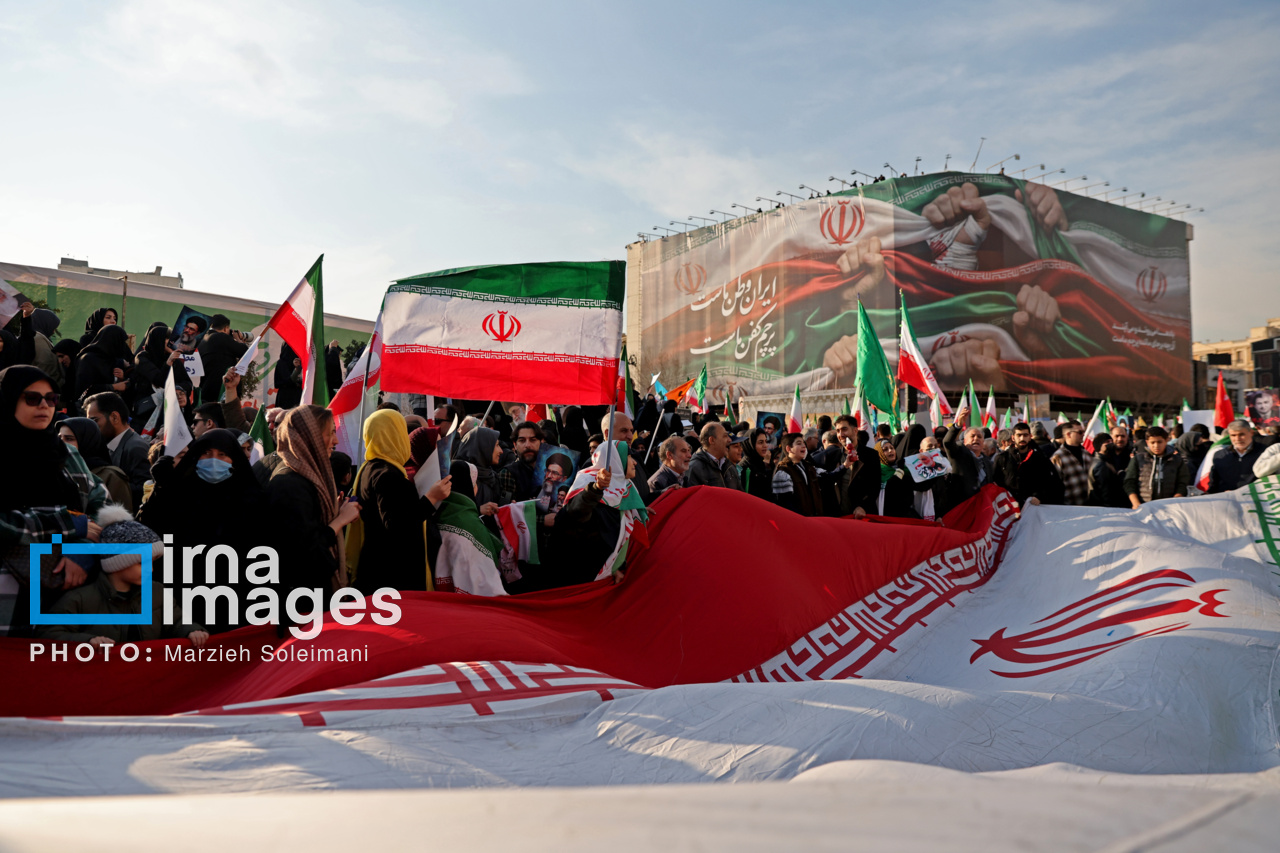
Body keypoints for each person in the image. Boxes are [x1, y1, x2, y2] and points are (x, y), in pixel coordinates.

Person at [0, 366, 108, 636]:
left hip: (66, 597)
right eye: (32, 398)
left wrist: (84, 550)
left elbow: (102, 506)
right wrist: (67, 525)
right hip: (8, 601)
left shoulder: (66, 453)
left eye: (51, 399)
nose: (44, 406)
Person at [134, 428, 268, 631]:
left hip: (235, 596)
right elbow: (149, 530)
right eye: (207, 453)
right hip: (183, 596)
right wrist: (161, 490)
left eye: (222, 455)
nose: (214, 460)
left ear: (234, 459)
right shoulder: (179, 491)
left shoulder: (251, 496)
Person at [36, 506, 208, 649]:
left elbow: (177, 622)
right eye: (142, 562)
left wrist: (191, 631)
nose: (151, 569)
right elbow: (48, 634)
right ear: (117, 563)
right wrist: (88, 641)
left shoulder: (157, 593)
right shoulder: (81, 599)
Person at [265, 405, 361, 605]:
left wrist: (331, 512)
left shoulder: (301, 474)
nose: (336, 441)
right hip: (301, 602)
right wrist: (340, 521)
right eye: (330, 433)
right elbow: (306, 552)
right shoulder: (290, 484)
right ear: (310, 438)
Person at [348, 409, 452, 594]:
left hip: (374, 569)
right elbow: (398, 525)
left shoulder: (369, 468)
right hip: (392, 578)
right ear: (394, 435)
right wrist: (431, 498)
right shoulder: (388, 475)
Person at [83, 391, 151, 507]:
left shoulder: (136, 447)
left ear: (115, 417)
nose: (91, 427)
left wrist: (104, 485)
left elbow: (145, 490)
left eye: (94, 421)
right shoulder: (108, 444)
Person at [57, 417, 133, 511]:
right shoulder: (57, 471)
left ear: (87, 441)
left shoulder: (111, 476)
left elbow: (120, 517)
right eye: (59, 438)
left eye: (69, 439)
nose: (62, 444)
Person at [992, 422, 1064, 507]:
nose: (1022, 438)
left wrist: (1039, 496)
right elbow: (996, 483)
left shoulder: (1040, 458)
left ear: (1030, 437)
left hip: (1034, 506)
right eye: (1019, 435)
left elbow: (1049, 482)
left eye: (1025, 435)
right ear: (1013, 438)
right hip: (1009, 507)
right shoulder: (1002, 458)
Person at [1124, 426, 1190, 507]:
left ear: (1166, 440)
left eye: (1159, 442)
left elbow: (1183, 482)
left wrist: (1177, 498)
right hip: (1143, 504)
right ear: (1147, 442)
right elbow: (1129, 482)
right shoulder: (1138, 459)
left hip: (1170, 505)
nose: (1156, 446)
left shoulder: (1176, 460)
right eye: (1152, 443)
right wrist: (1135, 503)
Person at [74, 324, 132, 407]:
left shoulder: (112, 359)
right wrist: (114, 387)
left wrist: (122, 378)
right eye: (120, 342)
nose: (123, 346)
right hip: (88, 409)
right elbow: (84, 390)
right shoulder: (88, 360)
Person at [602, 411, 654, 503]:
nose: (630, 436)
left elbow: (644, 496)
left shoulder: (636, 456)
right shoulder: (598, 464)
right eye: (624, 431)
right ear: (607, 433)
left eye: (631, 431)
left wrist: (665, 493)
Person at [197, 314, 249, 403]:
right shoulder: (221, 337)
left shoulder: (202, 340)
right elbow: (245, 353)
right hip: (222, 390)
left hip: (205, 388)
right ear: (225, 328)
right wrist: (239, 340)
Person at [454, 425, 504, 513]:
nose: (501, 451)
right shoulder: (460, 474)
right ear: (483, 447)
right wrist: (478, 510)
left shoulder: (492, 476)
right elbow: (455, 511)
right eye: (496, 445)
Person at [1207, 419, 1267, 493]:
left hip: (1256, 497)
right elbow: (1213, 483)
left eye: (1241, 434)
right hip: (1226, 498)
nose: (1237, 439)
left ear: (1251, 433)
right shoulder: (1220, 455)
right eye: (1233, 435)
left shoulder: (1265, 452)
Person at [773, 433, 822, 516]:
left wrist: (844, 465)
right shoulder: (783, 473)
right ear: (788, 449)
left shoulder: (808, 467)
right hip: (797, 520)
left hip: (813, 519)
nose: (804, 446)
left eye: (803, 443)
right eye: (799, 443)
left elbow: (828, 476)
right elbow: (784, 504)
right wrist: (801, 519)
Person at [16, 304, 64, 387]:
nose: (53, 331)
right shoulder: (37, 340)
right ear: (44, 323)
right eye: (52, 326)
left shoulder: (41, 338)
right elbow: (44, 365)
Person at [497, 421, 544, 504]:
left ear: (541, 443)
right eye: (522, 440)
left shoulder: (552, 470)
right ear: (515, 445)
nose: (527, 445)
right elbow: (507, 509)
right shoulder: (508, 473)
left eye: (533, 440)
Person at [872, 438, 920, 518]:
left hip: (905, 514)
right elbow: (891, 487)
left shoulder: (904, 469)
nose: (890, 451)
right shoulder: (876, 472)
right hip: (888, 516)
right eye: (885, 449)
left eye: (892, 448)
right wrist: (899, 472)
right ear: (879, 454)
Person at [686, 421, 739, 490]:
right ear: (712, 440)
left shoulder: (729, 466)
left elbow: (740, 493)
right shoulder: (695, 468)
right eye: (725, 436)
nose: (730, 440)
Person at [1050, 420, 1092, 506]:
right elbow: (1054, 487)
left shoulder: (1086, 454)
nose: (1083, 434)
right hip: (1069, 507)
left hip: (1089, 506)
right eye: (1080, 432)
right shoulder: (1058, 457)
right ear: (1069, 434)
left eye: (1083, 431)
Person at [740, 428, 775, 502]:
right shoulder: (744, 467)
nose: (765, 446)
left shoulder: (764, 464)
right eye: (760, 442)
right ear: (751, 444)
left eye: (766, 441)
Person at [273, 342, 303, 410]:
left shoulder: (301, 362)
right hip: (286, 397)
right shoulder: (282, 363)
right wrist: (297, 369)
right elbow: (289, 380)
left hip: (297, 396)